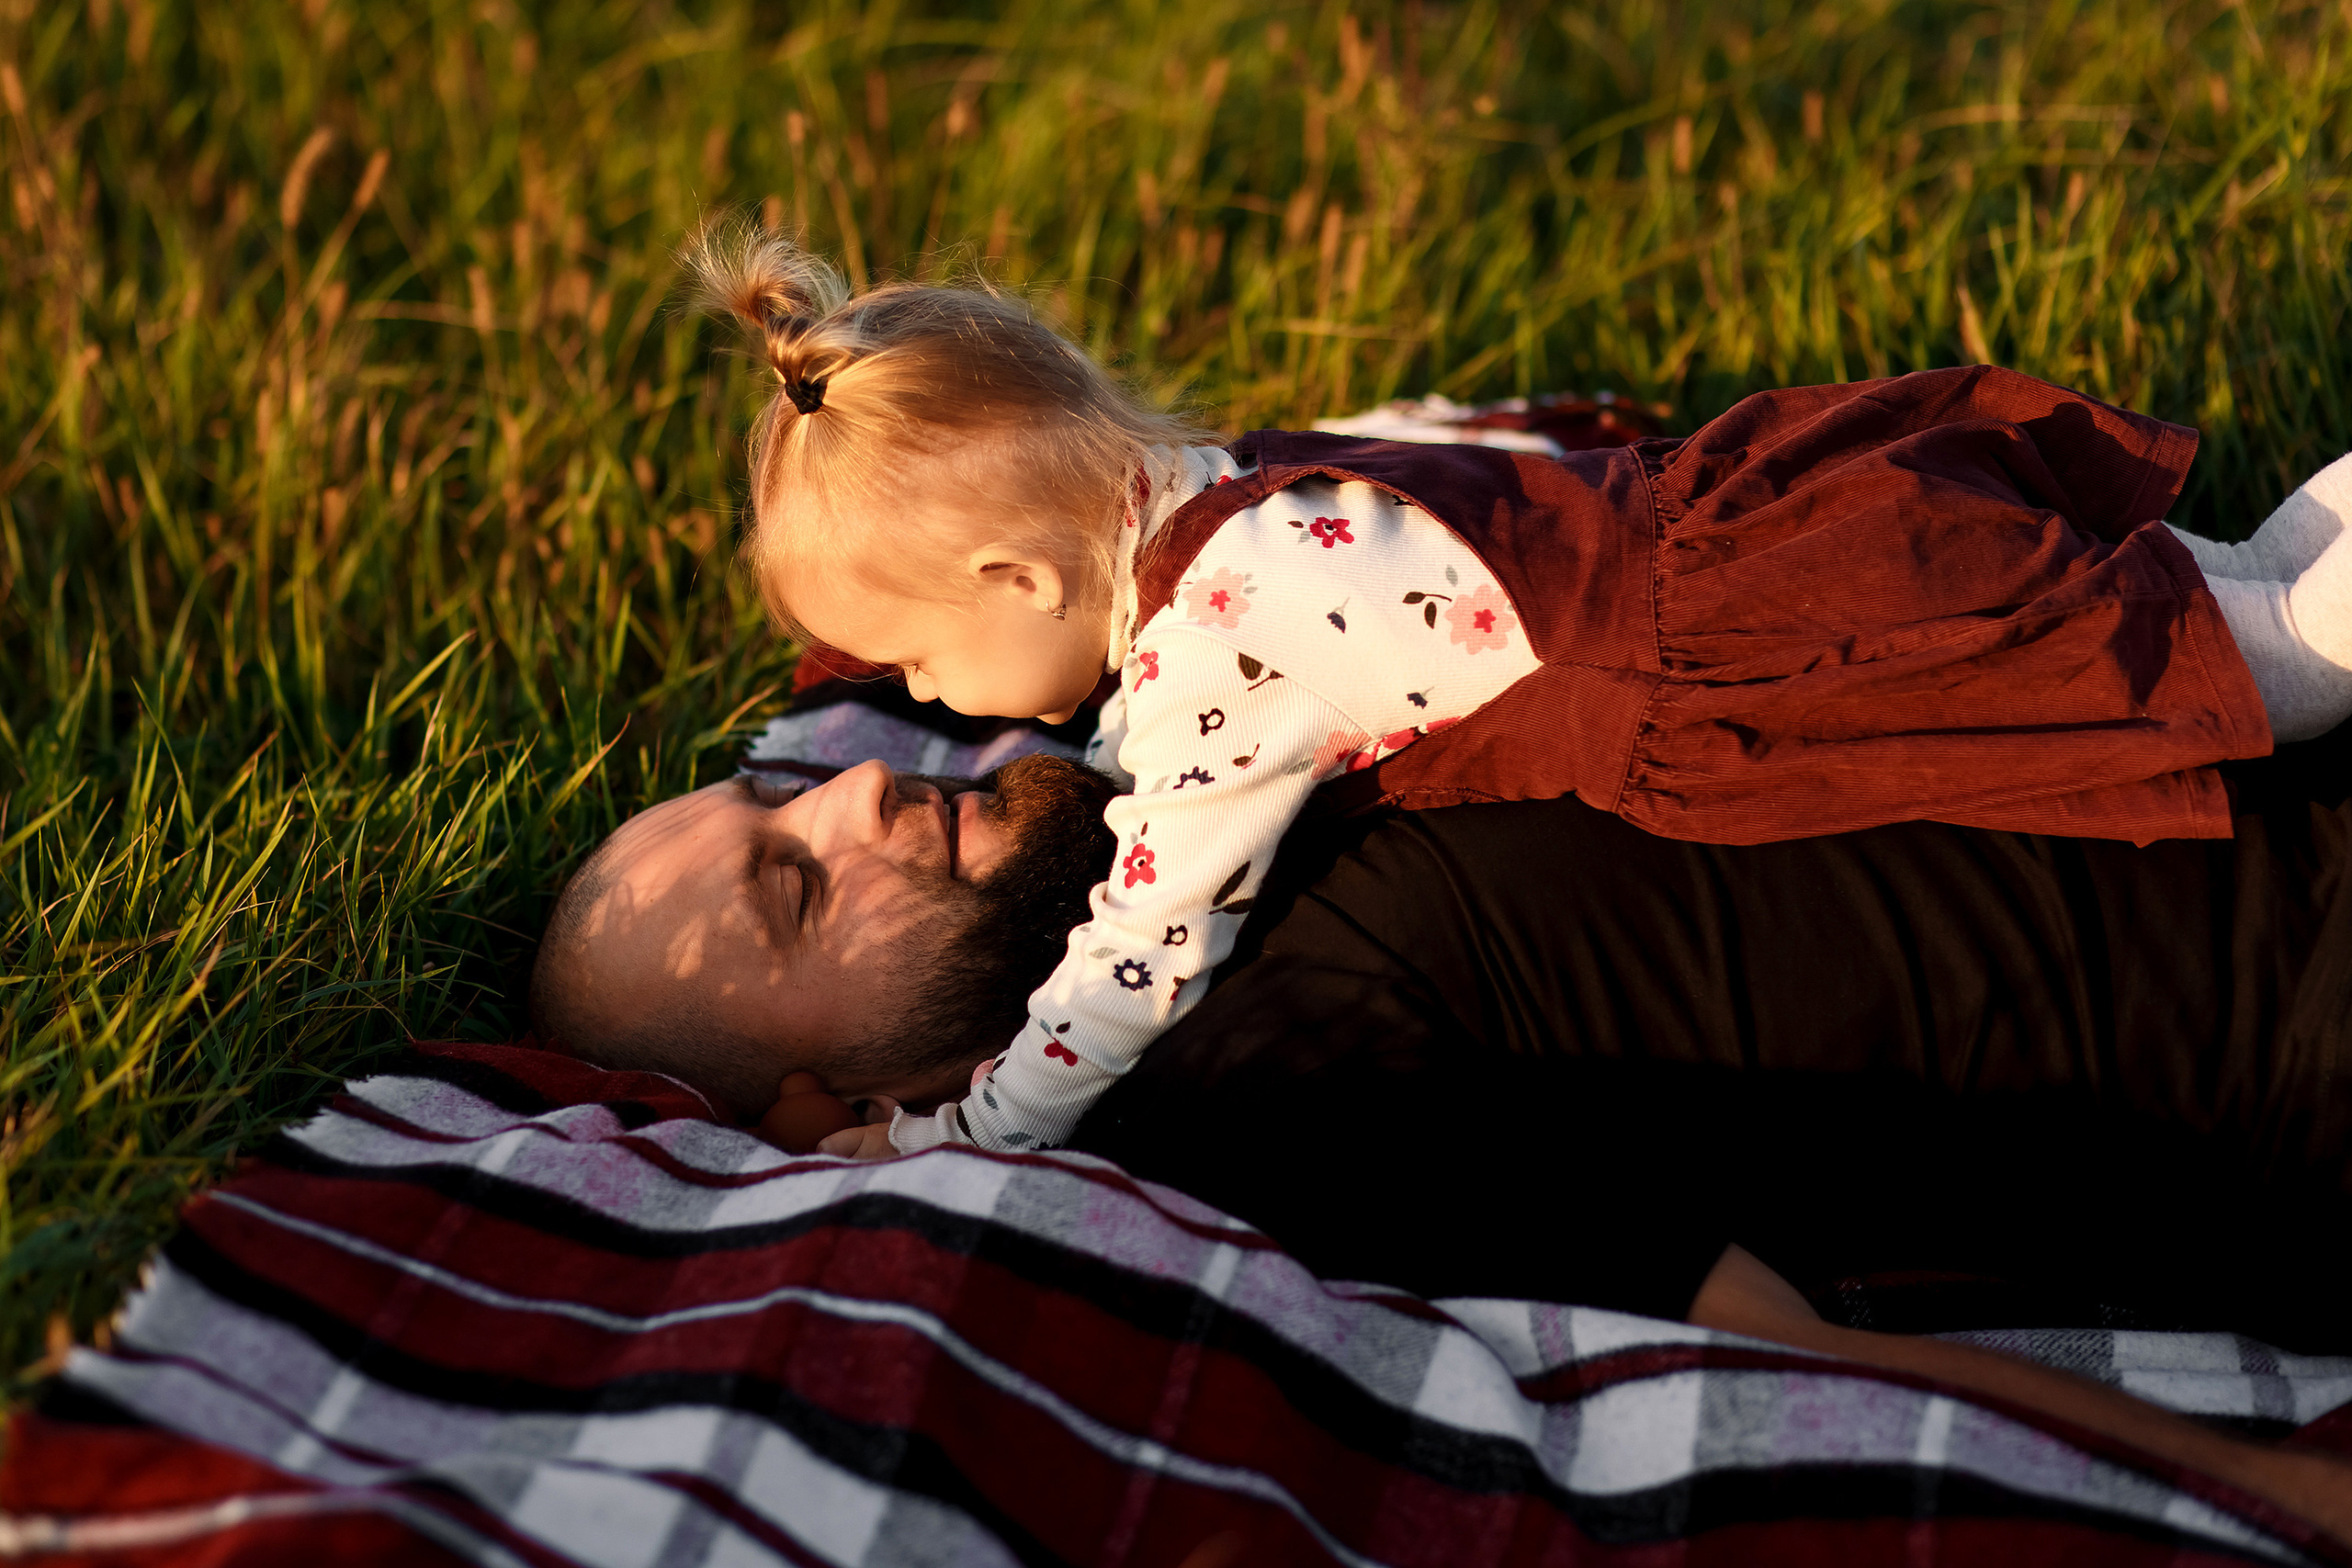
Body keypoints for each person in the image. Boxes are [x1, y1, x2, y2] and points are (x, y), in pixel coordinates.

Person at [685, 226, 2352, 1161]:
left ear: (1022, 583)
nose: (923, 700)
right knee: (2231, 595)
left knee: (2245, 685)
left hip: (1758, 653)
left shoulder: (1212, 659)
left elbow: (1145, 949)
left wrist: (970, 1134)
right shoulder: (1226, 486)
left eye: (910, 661)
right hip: (1756, 523)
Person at [528, 739, 2352, 1540]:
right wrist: (2285, 1499)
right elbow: (1809, 1359)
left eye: (777, 791)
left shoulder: (1183, 801)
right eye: (789, 884)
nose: (855, 787)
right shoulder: (1257, 1100)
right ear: (833, 1109)